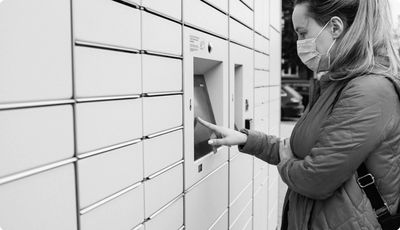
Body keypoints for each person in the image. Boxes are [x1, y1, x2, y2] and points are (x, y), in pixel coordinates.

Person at [197, 0, 400, 229]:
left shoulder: (369, 91)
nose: (299, 43)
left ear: (335, 28)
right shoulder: (336, 84)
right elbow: (300, 150)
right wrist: (245, 138)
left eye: (302, 33)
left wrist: (285, 162)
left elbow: (316, 178)